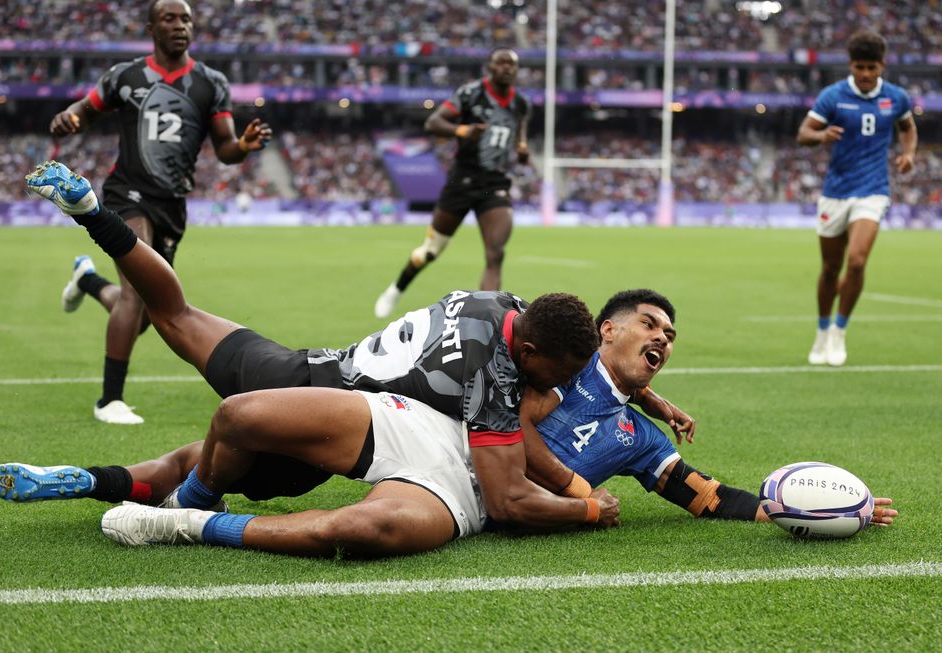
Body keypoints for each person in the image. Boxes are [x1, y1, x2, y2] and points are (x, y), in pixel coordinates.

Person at [0, 160, 624, 556]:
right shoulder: (497, 375)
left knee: (176, 315)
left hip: (301, 368)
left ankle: (91, 214)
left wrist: (639, 392)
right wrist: (585, 503)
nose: (565, 386)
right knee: (209, 464)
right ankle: (185, 503)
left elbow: (537, 353)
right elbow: (509, 496)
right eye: (562, 373)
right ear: (532, 350)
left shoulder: (502, 302)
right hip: (338, 422)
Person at [50, 0, 272, 424]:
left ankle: (88, 279)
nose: (179, 25)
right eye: (169, 18)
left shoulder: (210, 83)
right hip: (127, 193)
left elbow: (224, 149)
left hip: (172, 204)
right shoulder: (125, 75)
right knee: (135, 293)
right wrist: (70, 119)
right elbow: (85, 108)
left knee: (148, 309)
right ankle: (108, 401)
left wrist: (242, 146)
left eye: (186, 18)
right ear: (152, 27)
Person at [519, 289, 897, 527]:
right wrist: (581, 490)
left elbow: (708, 496)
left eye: (669, 337)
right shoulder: (568, 359)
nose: (661, 339)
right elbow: (515, 425)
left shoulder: (642, 438)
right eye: (648, 324)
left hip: (506, 510)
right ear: (608, 331)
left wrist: (825, 509)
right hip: (468, 469)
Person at [374, 48, 531, 319]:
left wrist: (522, 147)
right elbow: (432, 122)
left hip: (494, 183)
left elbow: (519, 132)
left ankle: (488, 319)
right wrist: (462, 130)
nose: (506, 68)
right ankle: (396, 288)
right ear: (490, 68)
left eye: (512, 64)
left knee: (495, 253)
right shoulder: (470, 94)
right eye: (501, 62)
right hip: (463, 180)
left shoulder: (521, 104)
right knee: (431, 251)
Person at [797, 29, 917, 367]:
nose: (865, 74)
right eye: (859, 67)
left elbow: (907, 127)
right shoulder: (833, 96)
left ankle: (839, 330)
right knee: (830, 268)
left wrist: (909, 154)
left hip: (873, 190)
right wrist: (821, 135)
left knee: (859, 260)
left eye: (872, 68)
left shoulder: (896, 98)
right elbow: (804, 133)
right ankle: (822, 330)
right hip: (835, 193)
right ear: (851, 65)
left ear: (882, 66)